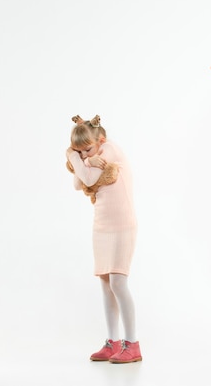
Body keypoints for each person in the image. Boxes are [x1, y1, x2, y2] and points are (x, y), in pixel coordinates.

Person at [66, 115, 142, 363]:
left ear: (101, 140)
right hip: (101, 226)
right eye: (79, 150)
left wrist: (74, 158)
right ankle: (112, 342)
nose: (84, 153)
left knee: (119, 282)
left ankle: (132, 345)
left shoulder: (110, 149)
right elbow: (78, 184)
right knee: (106, 284)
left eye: (88, 148)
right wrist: (81, 158)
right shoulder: (89, 158)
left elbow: (86, 178)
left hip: (121, 225)